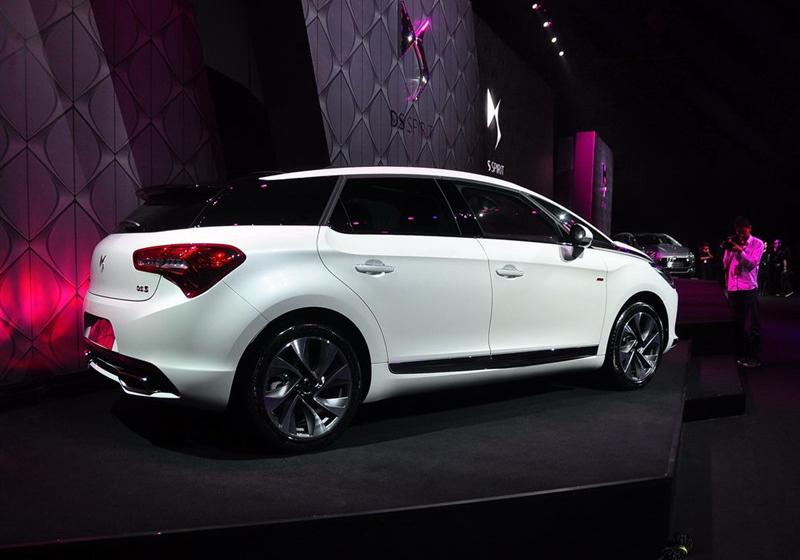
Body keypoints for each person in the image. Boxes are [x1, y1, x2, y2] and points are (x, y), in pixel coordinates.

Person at [722, 216, 764, 368]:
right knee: (737, 324)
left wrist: (740, 251)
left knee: (752, 323)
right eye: (738, 232)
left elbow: (752, 264)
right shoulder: (734, 243)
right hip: (733, 288)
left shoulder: (757, 243)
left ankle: (755, 356)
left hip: (748, 288)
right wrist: (729, 250)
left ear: (749, 228)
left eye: (743, 231)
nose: (740, 235)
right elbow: (725, 265)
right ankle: (742, 354)